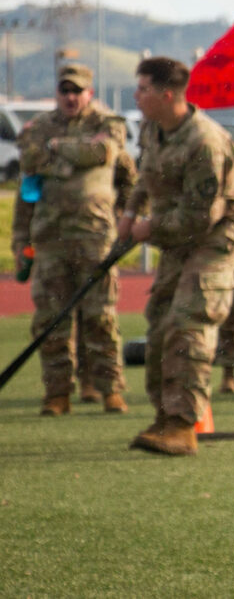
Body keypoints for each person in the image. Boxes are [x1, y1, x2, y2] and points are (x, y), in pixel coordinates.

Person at [119, 57, 234, 456]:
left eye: (143, 90)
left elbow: (199, 217)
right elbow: (146, 176)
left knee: (188, 324)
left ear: (167, 95)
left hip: (213, 240)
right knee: (159, 325)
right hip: (177, 240)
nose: (137, 97)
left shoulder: (205, 142)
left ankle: (182, 426)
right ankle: (164, 418)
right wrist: (129, 213)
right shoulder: (152, 129)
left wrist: (146, 229)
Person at [12, 63, 134, 416]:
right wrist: (20, 240)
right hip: (50, 239)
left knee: (100, 318)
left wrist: (56, 149)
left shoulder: (107, 124)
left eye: (77, 91)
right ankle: (57, 393)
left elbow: (105, 155)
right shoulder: (40, 127)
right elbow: (29, 173)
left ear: (89, 93)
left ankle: (110, 388)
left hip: (95, 238)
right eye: (64, 91)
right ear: (57, 93)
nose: (70, 97)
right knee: (51, 321)